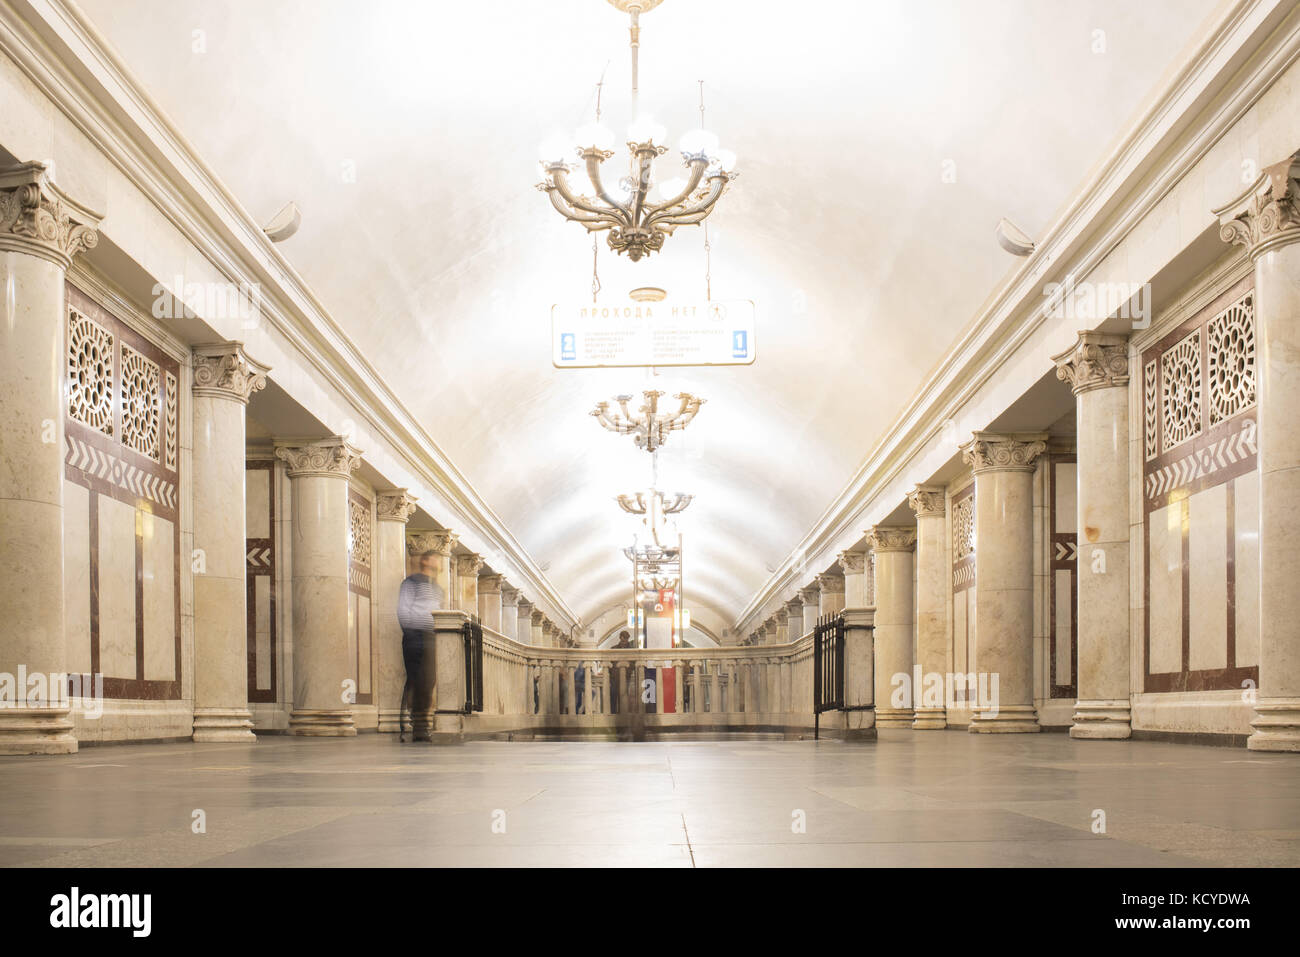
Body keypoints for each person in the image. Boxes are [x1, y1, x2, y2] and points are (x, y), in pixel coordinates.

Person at [397, 550, 444, 742]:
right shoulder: (412, 582)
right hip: (415, 635)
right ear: (425, 560)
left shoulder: (438, 588)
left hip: (432, 637)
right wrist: (409, 631)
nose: (437, 563)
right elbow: (403, 608)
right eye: (435, 558)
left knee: (429, 680)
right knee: (416, 679)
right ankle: (416, 725)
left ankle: (423, 722)